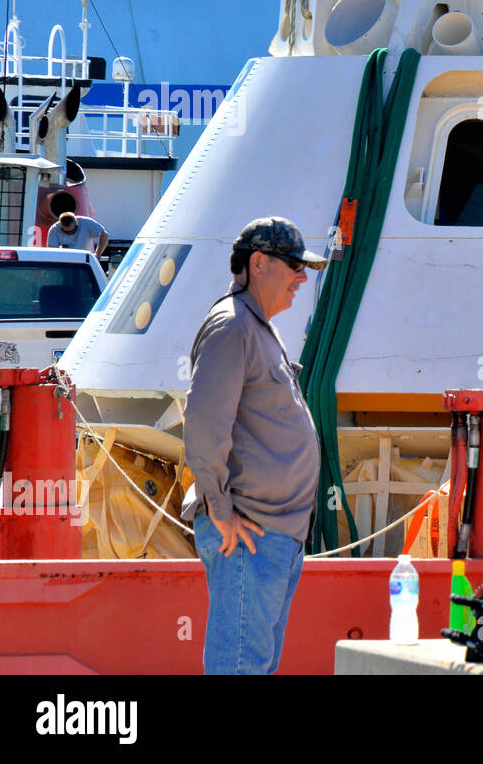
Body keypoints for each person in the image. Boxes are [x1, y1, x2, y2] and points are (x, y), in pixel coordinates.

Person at [182, 217, 327, 674]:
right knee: (241, 668)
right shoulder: (233, 327)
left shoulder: (256, 326)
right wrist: (221, 510)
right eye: (295, 266)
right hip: (248, 533)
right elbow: (204, 425)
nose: (302, 278)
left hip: (271, 534)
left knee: (253, 666)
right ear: (259, 264)